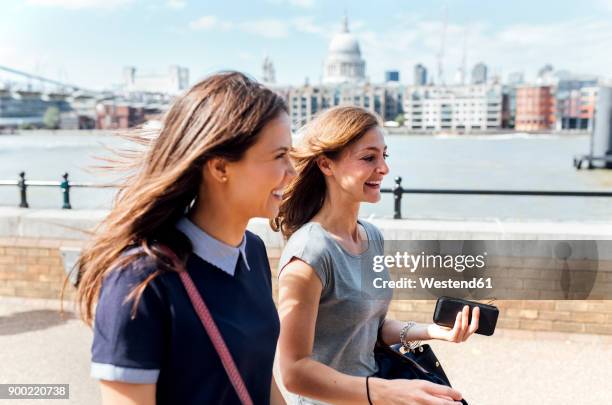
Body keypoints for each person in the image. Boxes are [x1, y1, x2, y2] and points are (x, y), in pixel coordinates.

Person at [75, 71, 295, 405]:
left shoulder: (253, 251)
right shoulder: (139, 281)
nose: (292, 171)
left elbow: (261, 381)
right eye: (280, 156)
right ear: (220, 167)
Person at [273, 106, 480, 405]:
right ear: (326, 165)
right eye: (369, 157)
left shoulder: (371, 237)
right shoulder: (310, 253)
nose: (383, 168)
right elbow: (293, 372)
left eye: (385, 156)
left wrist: (433, 331)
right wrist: (381, 392)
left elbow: (373, 328)